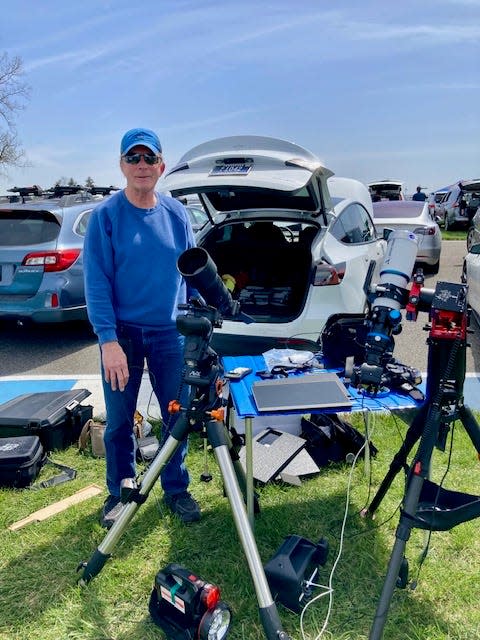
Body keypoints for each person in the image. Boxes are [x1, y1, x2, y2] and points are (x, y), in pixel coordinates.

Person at [83, 127, 201, 528]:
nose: (141, 165)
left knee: (176, 414)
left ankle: (176, 488)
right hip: (124, 335)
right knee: (119, 420)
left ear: (161, 165)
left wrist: (195, 315)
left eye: (149, 158)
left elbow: (188, 270)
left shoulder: (176, 213)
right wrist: (107, 341)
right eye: (132, 158)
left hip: (170, 333)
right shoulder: (105, 217)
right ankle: (119, 491)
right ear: (121, 165)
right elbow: (96, 282)